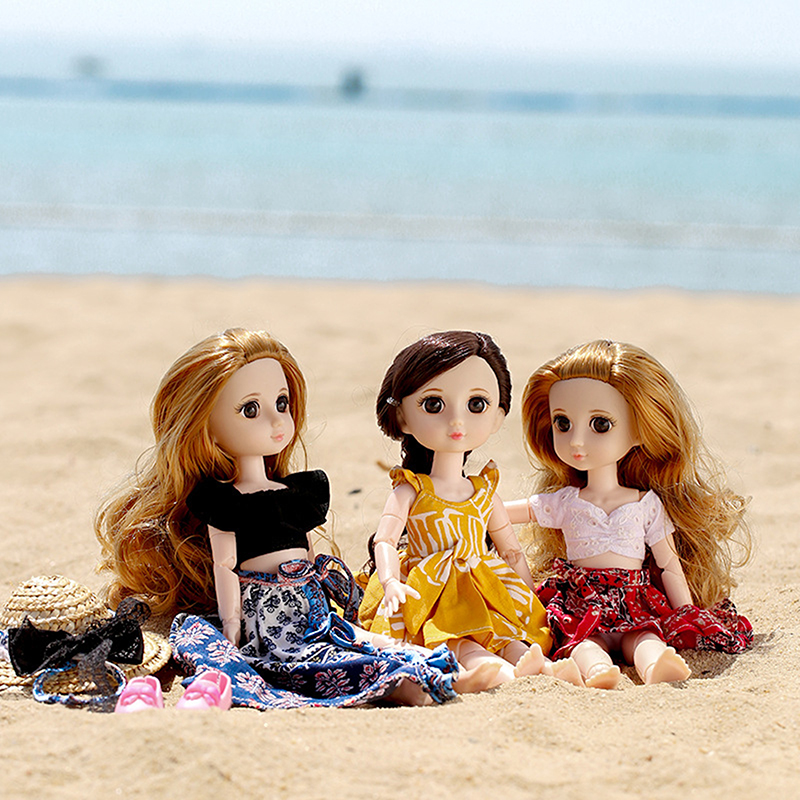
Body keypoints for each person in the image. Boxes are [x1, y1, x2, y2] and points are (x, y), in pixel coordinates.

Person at [96, 328, 464, 708]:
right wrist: (231, 625)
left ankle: (425, 669)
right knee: (303, 660)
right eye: (250, 410)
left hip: (309, 599)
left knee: (360, 640)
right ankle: (399, 684)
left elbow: (307, 553)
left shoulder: (299, 492)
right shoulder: (223, 501)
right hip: (264, 611)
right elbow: (225, 565)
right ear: (206, 428)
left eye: (282, 403)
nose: (276, 422)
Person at [505, 339, 753, 689]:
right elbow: (506, 511)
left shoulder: (645, 504)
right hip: (581, 602)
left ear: (640, 431)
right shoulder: (564, 501)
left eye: (600, 424)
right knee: (583, 642)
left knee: (644, 637)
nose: (576, 441)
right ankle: (597, 671)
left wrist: (687, 613)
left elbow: (668, 564)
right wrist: (465, 500)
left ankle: (654, 666)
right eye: (563, 423)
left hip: (634, 600)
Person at [358, 331, 580, 688]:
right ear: (401, 417)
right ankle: (493, 672)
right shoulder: (412, 489)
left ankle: (540, 668)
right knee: (457, 637)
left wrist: (527, 594)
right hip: (430, 589)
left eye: (476, 404)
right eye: (433, 405)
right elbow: (385, 540)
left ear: (497, 416)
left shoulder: (484, 491)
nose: (457, 421)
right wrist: (390, 581)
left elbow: (511, 550)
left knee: (506, 633)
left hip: (483, 581)